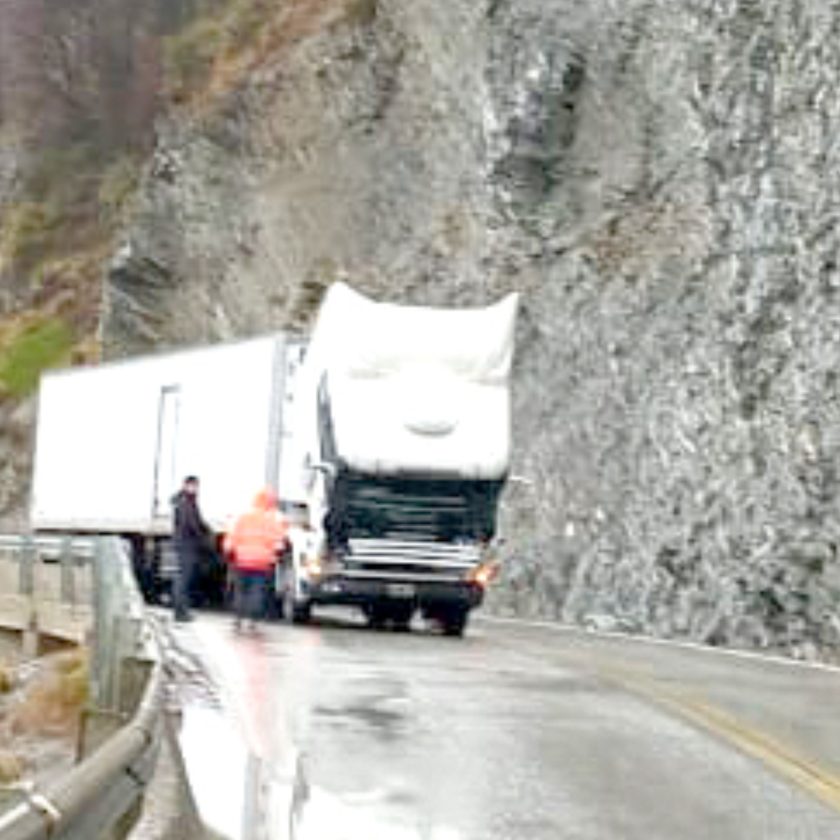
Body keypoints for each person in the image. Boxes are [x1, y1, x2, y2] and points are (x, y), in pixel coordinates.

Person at [224, 487, 289, 632]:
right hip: (262, 562)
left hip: (242, 560)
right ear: (270, 503)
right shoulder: (273, 521)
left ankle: (237, 619)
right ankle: (252, 620)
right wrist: (276, 555)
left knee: (240, 590)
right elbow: (280, 543)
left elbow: (231, 537)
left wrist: (229, 552)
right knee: (257, 591)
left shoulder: (243, 517)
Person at [171, 475, 211, 623]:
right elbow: (191, 523)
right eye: (192, 486)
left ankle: (181, 611)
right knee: (183, 579)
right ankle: (181, 612)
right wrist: (203, 538)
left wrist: (206, 529)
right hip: (187, 544)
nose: (195, 488)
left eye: (196, 486)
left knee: (182, 578)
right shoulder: (185, 501)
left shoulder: (186, 500)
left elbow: (196, 521)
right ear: (186, 485)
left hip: (184, 543)